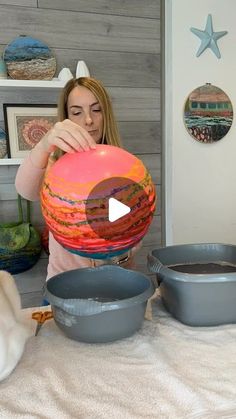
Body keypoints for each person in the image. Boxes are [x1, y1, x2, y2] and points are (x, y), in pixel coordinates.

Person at [15, 77, 140, 281]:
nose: (88, 120)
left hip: (119, 282)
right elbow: (25, 190)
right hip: (65, 284)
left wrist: (122, 255)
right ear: (66, 117)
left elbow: (135, 224)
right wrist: (45, 144)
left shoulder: (125, 167)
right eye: (77, 112)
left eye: (96, 110)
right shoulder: (54, 165)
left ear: (106, 114)